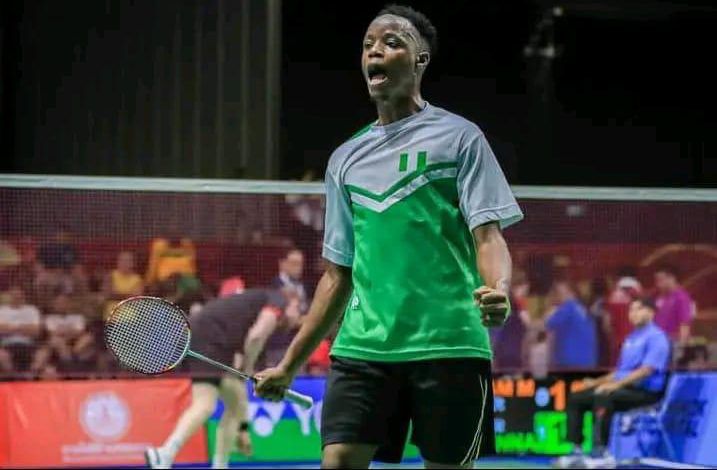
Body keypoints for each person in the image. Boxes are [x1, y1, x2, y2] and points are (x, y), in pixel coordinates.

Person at [255, 5, 523, 468]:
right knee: (338, 460)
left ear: (420, 60)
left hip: (449, 342)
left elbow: (488, 235)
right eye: (368, 45)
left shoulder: (460, 138)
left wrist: (497, 289)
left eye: (392, 42)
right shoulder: (345, 158)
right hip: (364, 347)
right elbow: (337, 274)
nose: (375, 51)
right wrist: (289, 365)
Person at [144, 288, 301, 469]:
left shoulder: (247, 315)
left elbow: (239, 393)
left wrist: (243, 429)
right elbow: (256, 337)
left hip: (205, 336)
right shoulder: (278, 299)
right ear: (290, 301)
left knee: (234, 403)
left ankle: (218, 464)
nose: (298, 316)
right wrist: (248, 368)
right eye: (298, 308)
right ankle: (165, 453)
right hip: (211, 338)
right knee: (205, 404)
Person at [555, 297, 671, 469]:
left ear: (650, 312)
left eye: (638, 309)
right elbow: (620, 372)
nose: (633, 314)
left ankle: (601, 452)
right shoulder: (631, 338)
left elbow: (647, 370)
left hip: (646, 393)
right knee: (577, 397)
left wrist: (616, 386)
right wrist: (595, 382)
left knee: (604, 396)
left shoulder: (657, 337)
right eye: (631, 310)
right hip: (624, 388)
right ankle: (575, 450)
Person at [545, 280, 598, 370]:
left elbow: (548, 323)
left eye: (558, 293)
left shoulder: (567, 307)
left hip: (569, 360)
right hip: (587, 359)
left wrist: (551, 308)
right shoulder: (582, 308)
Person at [0, 286, 42, 373]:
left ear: (23, 296)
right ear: (10, 296)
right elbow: (1, 330)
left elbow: (36, 331)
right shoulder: (2, 310)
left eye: (18, 295)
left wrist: (11, 328)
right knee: (2, 355)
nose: (16, 297)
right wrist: (24, 328)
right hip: (7, 345)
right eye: (14, 295)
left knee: (42, 354)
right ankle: (13, 376)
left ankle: (30, 376)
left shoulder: (32, 310)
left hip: (28, 344)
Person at [653, 264, 693, 344]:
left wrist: (681, 346)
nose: (658, 284)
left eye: (661, 280)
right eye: (656, 281)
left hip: (672, 342)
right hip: (657, 341)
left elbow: (684, 325)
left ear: (671, 278)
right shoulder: (656, 296)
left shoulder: (681, 297)